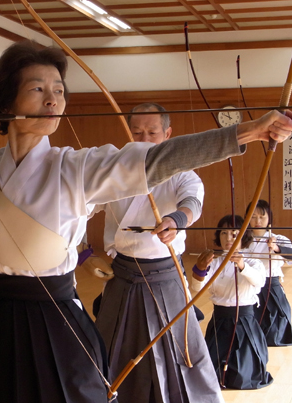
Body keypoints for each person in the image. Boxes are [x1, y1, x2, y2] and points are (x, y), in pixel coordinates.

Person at [0, 40, 292, 403]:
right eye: (37, 89)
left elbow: (160, 159)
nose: (53, 100)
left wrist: (249, 132)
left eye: (58, 91)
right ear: (7, 103)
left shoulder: (76, 168)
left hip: (54, 314)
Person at [89, 103, 222, 403]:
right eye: (137, 132)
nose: (144, 139)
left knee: (179, 351)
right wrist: (85, 255)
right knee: (111, 346)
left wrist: (177, 220)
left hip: (165, 276)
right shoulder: (114, 172)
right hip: (121, 275)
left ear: (168, 134)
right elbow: (80, 208)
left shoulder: (180, 172)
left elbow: (192, 201)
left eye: (152, 132)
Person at [191, 215, 273, 390]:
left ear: (244, 236)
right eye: (224, 233)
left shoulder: (253, 262)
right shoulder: (214, 263)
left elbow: (259, 282)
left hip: (244, 322)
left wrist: (242, 266)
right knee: (212, 371)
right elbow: (198, 288)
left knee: (243, 373)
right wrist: (200, 268)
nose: (229, 238)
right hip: (219, 321)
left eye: (235, 234)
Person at [246, 199, 292, 346]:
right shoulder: (242, 240)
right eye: (253, 216)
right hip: (247, 288)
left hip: (270, 288)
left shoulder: (278, 239)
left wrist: (276, 248)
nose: (257, 221)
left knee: (274, 332)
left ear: (269, 218)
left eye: (262, 217)